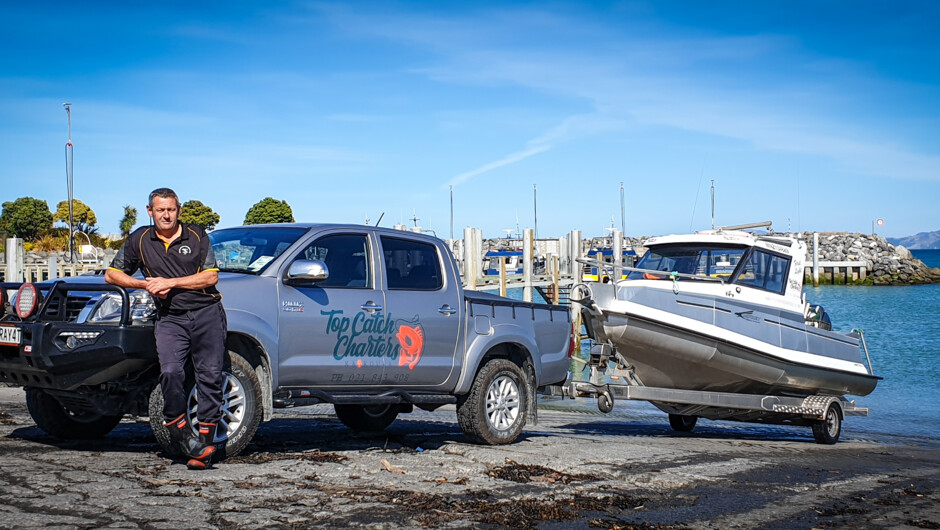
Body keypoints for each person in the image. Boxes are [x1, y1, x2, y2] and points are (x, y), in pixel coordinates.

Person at [105, 188, 226, 470]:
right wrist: (145, 284)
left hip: (206, 313)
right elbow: (112, 274)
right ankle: (178, 427)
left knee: (209, 375)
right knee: (171, 372)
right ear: (150, 212)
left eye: (171, 209)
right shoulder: (140, 239)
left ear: (178, 209)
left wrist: (171, 283)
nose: (166, 215)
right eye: (160, 210)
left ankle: (204, 447)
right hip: (170, 318)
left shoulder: (196, 235)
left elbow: (210, 276)